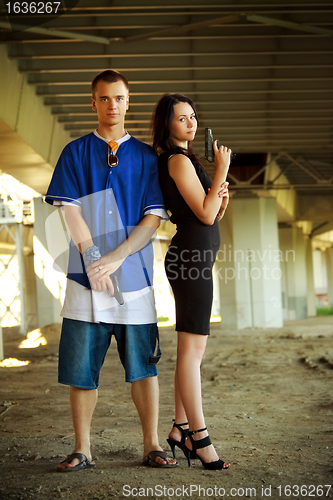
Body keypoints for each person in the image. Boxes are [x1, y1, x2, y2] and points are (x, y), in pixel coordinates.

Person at [45, 70, 177, 470]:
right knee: (81, 369)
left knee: (143, 366)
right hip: (85, 280)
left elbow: (153, 217)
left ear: (127, 102)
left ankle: (151, 445)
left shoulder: (147, 157)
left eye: (119, 98)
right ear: (94, 103)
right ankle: (82, 448)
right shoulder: (75, 151)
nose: (112, 105)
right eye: (104, 99)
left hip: (134, 278)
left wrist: (115, 258)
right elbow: (70, 209)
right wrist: (92, 259)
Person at [152, 93, 231, 470]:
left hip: (195, 258)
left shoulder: (187, 160)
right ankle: (200, 439)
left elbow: (212, 212)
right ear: (167, 123)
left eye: (193, 116)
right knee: (191, 351)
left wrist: (219, 192)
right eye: (181, 118)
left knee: (192, 350)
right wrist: (220, 172)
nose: (190, 123)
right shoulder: (177, 159)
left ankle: (180, 429)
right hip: (189, 260)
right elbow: (202, 212)